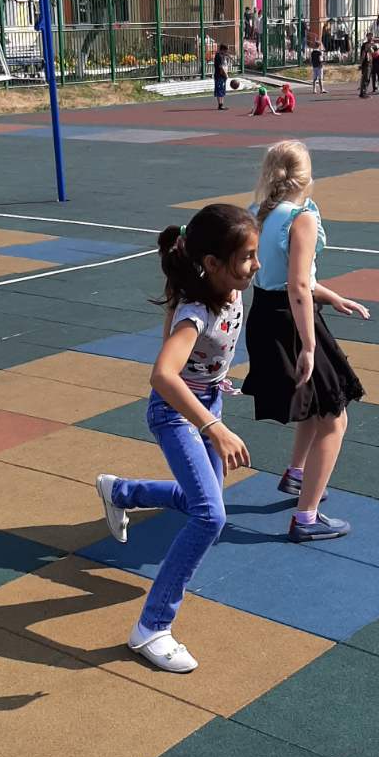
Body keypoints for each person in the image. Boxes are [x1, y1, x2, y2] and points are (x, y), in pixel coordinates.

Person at [96, 205, 258, 671]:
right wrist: (213, 427)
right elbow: (163, 375)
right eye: (247, 257)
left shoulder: (227, 288)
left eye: (255, 254)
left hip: (208, 404)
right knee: (210, 515)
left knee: (200, 502)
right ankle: (152, 628)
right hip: (176, 414)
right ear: (212, 263)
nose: (256, 265)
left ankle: (121, 492)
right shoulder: (195, 312)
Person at [243, 141, 369, 540]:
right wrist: (310, 346)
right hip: (292, 321)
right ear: (307, 176)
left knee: (317, 407)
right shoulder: (302, 218)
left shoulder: (258, 213)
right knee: (335, 417)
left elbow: (279, 279)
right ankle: (306, 518)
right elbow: (297, 286)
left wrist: (330, 296)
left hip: (266, 315)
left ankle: (297, 474)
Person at [213, 43, 229, 111]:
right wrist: (225, 74)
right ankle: (220, 105)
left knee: (222, 90)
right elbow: (220, 67)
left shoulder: (223, 56)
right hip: (219, 75)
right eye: (225, 51)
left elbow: (225, 65)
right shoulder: (218, 56)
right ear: (222, 50)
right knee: (219, 89)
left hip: (223, 76)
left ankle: (222, 104)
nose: (226, 52)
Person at [358, 34, 372, 99]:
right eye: (369, 36)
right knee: (366, 78)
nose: (371, 38)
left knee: (366, 78)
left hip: (369, 63)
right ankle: (363, 92)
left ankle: (363, 92)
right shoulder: (366, 45)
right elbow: (363, 55)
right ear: (367, 37)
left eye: (371, 36)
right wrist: (361, 64)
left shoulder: (370, 44)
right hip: (366, 63)